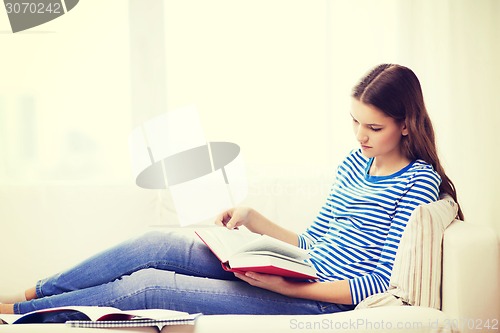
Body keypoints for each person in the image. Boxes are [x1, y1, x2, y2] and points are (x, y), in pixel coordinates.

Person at [0, 64, 462, 320]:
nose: (360, 136)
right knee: (157, 242)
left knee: (149, 288)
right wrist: (254, 220)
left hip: (318, 296)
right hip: (300, 268)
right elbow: (312, 242)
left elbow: (382, 283)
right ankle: (30, 292)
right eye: (355, 122)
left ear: (406, 124)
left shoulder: (417, 181)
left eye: (374, 127)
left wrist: (287, 286)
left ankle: (20, 313)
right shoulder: (355, 162)